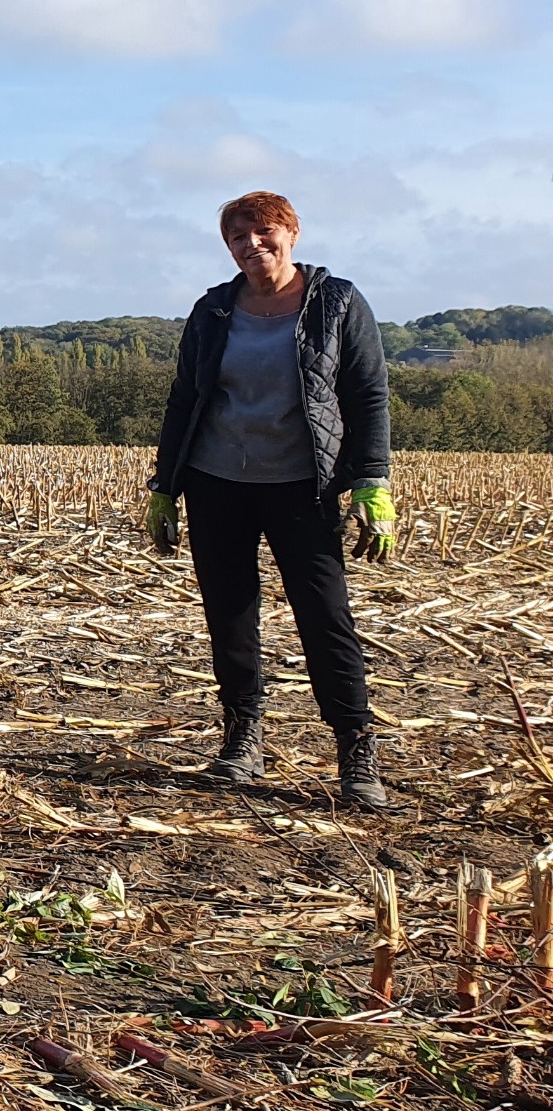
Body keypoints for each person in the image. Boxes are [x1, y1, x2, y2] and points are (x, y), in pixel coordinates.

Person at [146, 191, 397, 809]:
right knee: (230, 615)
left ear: (292, 233)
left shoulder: (337, 302)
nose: (252, 245)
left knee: (325, 617)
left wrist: (372, 480)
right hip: (216, 483)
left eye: (264, 232)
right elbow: (185, 398)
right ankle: (242, 739)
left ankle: (355, 748)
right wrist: (165, 486)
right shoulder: (213, 309)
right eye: (238, 237)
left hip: (303, 486)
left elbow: (367, 394)